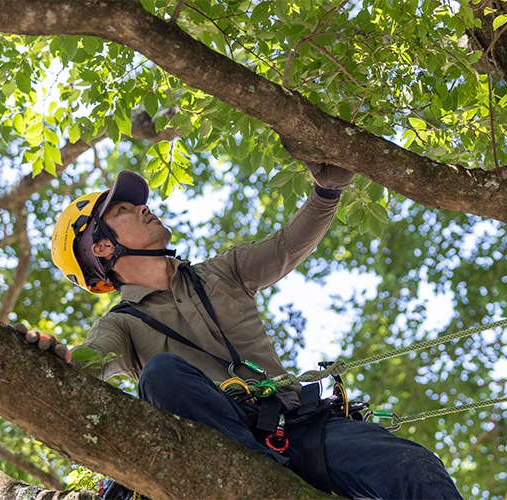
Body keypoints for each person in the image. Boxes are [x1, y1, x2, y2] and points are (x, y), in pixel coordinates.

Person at [28, 165, 463, 499]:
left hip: (298, 428)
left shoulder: (222, 273)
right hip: (218, 445)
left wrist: (328, 191)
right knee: (160, 374)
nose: (144, 206)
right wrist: (57, 359)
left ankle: (270, 477)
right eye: (123, 210)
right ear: (102, 247)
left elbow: (288, 244)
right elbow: (93, 360)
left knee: (415, 466)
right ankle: (259, 479)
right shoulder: (120, 323)